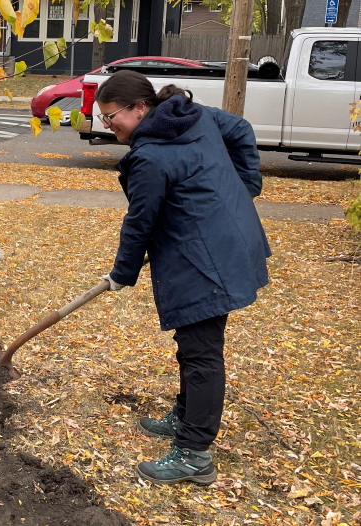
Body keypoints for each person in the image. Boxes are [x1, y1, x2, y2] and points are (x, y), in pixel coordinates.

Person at [95, 69, 270, 486]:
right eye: (103, 118)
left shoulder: (152, 158)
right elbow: (241, 129)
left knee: (201, 353)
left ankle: (195, 454)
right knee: (195, 344)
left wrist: (122, 273)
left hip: (203, 260)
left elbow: (139, 223)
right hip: (222, 242)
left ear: (141, 108)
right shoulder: (193, 116)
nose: (108, 125)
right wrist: (244, 187)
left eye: (112, 115)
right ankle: (185, 417)